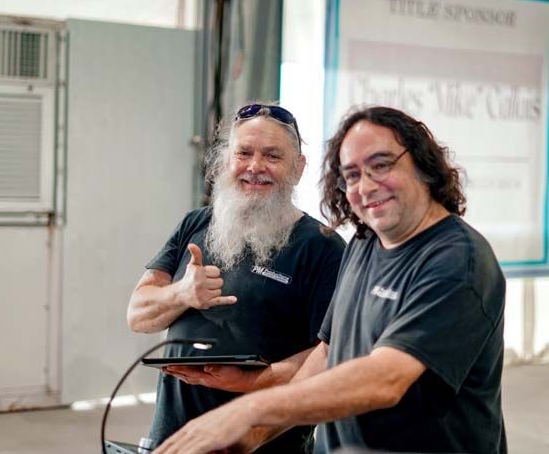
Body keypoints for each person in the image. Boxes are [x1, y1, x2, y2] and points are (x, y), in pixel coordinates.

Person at [154, 106, 507, 454]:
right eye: (351, 174)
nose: (366, 185)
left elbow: (386, 379)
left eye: (381, 165)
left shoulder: (457, 261)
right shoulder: (365, 244)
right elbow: (326, 353)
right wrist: (255, 435)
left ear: (423, 165)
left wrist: (249, 410)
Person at [127, 103, 345, 453]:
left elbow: (331, 356)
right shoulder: (195, 224)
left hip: (263, 443)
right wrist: (181, 294)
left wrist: (251, 381)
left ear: (298, 168)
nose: (255, 167)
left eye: (272, 156)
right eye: (244, 153)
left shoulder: (322, 247)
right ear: (226, 160)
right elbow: (138, 316)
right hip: (171, 438)